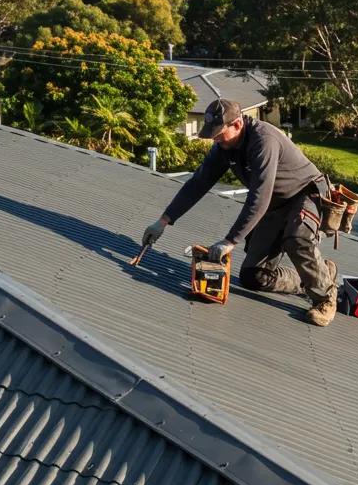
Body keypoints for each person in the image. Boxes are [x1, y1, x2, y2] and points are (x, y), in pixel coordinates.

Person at [142, 98, 339, 326]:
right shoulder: (224, 148)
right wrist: (163, 221)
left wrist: (230, 240)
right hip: (275, 204)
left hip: (305, 195)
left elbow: (259, 197)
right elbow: (198, 183)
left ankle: (325, 297)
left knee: (296, 238)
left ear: (236, 124)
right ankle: (319, 273)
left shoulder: (263, 141)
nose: (215, 139)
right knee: (253, 277)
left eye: (218, 133)